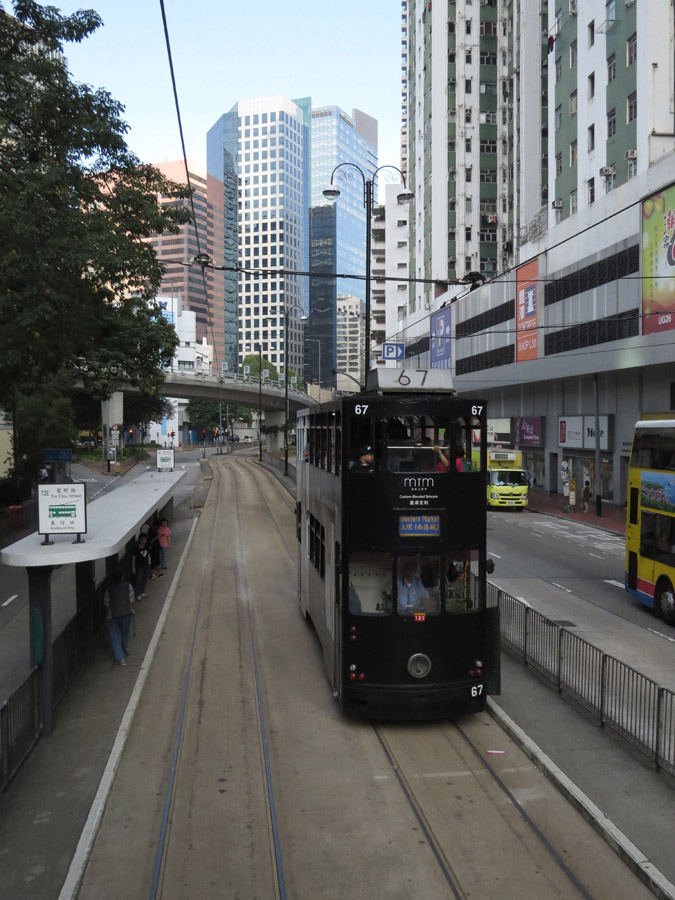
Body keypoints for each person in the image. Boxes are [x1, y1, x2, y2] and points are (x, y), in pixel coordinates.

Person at [104, 567, 134, 666]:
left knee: (115, 635)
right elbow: (131, 599)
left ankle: (120, 658)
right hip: (126, 613)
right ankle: (125, 650)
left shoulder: (109, 588)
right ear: (122, 577)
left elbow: (106, 603)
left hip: (113, 615)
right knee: (125, 632)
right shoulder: (127, 585)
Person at [131, 533, 151, 601]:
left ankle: (142, 592)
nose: (144, 541)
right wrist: (133, 568)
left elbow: (148, 555)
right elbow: (133, 558)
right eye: (142, 539)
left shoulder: (147, 547)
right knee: (138, 579)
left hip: (146, 565)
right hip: (139, 566)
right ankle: (138, 594)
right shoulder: (136, 548)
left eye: (145, 539)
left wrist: (149, 563)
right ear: (139, 539)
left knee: (144, 578)